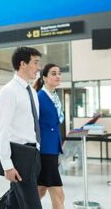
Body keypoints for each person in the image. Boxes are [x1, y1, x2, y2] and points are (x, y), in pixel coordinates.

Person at [0, 46, 43, 209]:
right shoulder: (9, 91)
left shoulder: (32, 92)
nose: (39, 67)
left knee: (14, 204)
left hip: (34, 154)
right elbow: (1, 130)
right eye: (36, 63)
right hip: (20, 156)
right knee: (33, 205)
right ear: (23, 64)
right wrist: (7, 165)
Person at [34, 63, 65, 209]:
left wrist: (59, 149)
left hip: (53, 149)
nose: (58, 76)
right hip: (44, 150)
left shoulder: (55, 97)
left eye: (59, 73)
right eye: (53, 73)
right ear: (44, 77)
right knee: (58, 192)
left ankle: (21, 205)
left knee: (40, 190)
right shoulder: (39, 97)